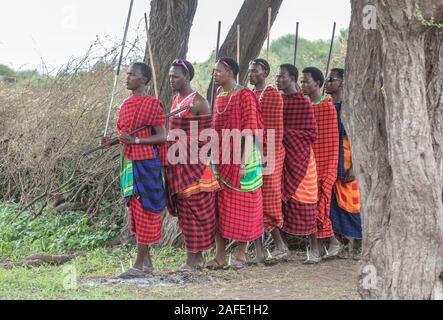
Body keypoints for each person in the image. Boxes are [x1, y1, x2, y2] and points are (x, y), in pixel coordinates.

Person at [102, 62, 167, 278]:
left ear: (144, 80)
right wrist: (110, 142)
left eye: (132, 74)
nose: (127, 77)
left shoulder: (152, 104)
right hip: (129, 163)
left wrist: (136, 139)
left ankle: (140, 265)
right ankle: (146, 264)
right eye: (127, 73)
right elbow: (125, 137)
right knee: (135, 212)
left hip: (146, 164)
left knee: (144, 210)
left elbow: (162, 136)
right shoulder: (125, 104)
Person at [208, 57, 265, 270]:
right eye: (214, 71)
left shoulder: (245, 95)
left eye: (218, 71)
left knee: (246, 206)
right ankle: (220, 256)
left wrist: (241, 163)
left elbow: (250, 130)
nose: (214, 75)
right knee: (219, 207)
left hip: (245, 158)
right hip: (221, 157)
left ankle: (242, 254)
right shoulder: (219, 94)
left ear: (230, 71)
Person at [165, 59, 219, 271]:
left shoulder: (199, 103)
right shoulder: (176, 100)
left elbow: (207, 138)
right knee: (185, 213)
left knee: (197, 212)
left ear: (186, 77)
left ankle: (196, 259)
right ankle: (193, 259)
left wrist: (177, 141)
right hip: (178, 165)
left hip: (196, 168)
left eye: (175, 76)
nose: (171, 80)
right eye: (170, 76)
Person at [276, 64, 320, 264]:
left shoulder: (304, 103)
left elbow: (312, 134)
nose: (278, 79)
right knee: (279, 201)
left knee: (306, 200)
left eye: (282, 76)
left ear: (292, 78)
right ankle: (282, 247)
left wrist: (285, 134)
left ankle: (314, 248)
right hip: (280, 158)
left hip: (301, 158)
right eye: (277, 76)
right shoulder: (276, 101)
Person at [248, 59, 286, 263]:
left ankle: (280, 245)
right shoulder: (250, 94)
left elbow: (273, 129)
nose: (251, 74)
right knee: (254, 200)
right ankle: (259, 251)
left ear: (265, 73)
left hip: (269, 152)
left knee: (269, 201)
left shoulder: (271, 94)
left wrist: (264, 154)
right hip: (252, 154)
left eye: (255, 71)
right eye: (249, 71)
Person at [301, 67, 340, 263]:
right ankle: (327, 244)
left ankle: (321, 247)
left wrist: (326, 169)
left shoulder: (326, 107)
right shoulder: (304, 106)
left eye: (307, 81)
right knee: (309, 206)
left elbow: (330, 141)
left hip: (325, 164)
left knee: (319, 207)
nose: (303, 85)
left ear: (318, 83)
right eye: (302, 82)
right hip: (307, 165)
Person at [325, 68, 362, 259]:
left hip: (347, 161)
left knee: (352, 204)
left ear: (343, 83)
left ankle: (358, 243)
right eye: (327, 79)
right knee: (332, 204)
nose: (327, 82)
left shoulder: (350, 107)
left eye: (332, 79)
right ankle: (338, 243)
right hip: (329, 161)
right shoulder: (325, 105)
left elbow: (357, 139)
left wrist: (355, 166)